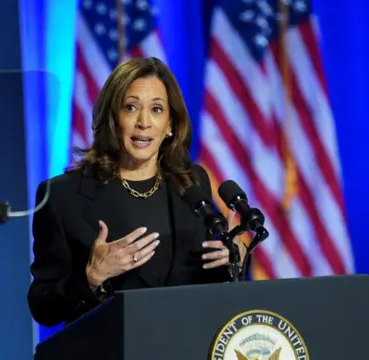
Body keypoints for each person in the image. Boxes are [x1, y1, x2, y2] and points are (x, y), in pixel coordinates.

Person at [27, 57, 245, 327]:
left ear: (170, 125)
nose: (144, 122)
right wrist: (92, 277)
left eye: (156, 109)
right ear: (113, 118)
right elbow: (43, 305)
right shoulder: (63, 196)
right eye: (131, 108)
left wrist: (233, 260)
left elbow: (206, 281)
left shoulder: (192, 182)